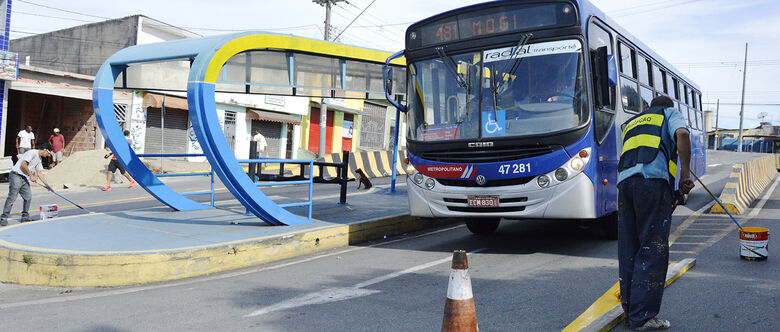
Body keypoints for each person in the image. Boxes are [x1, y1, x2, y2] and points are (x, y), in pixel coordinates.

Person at [616, 95, 695, 330]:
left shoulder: (633, 121)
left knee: (629, 247)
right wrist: (685, 174)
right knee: (652, 248)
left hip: (626, 185)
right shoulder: (668, 113)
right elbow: (682, 135)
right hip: (652, 184)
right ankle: (643, 316)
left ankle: (631, 310)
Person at [1, 146, 53, 226]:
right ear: (45, 150)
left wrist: (47, 185)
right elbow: (23, 164)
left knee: (28, 197)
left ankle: (25, 216)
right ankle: (3, 218)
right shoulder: (32, 152)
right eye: (48, 153)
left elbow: (39, 173)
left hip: (24, 178)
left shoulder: (39, 159)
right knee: (12, 197)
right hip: (16, 175)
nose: (48, 155)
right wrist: (31, 175)